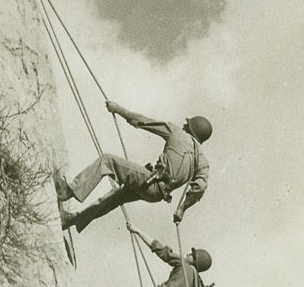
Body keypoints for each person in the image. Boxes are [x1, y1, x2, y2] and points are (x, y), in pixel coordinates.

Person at [57, 100, 211, 233]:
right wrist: (182, 208)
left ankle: (68, 191)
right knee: (115, 198)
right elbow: (200, 188)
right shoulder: (202, 162)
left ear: (191, 129)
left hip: (150, 181)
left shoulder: (178, 133)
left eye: (187, 124)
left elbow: (144, 121)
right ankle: (71, 220)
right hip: (157, 195)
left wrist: (118, 109)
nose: (184, 125)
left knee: (107, 161)